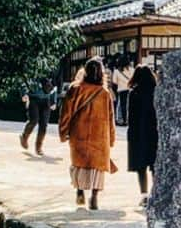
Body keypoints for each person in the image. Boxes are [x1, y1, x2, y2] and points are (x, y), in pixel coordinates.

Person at [58, 58, 116, 210]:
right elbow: (110, 118)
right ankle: (94, 197)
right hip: (100, 135)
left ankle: (79, 191)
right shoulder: (104, 93)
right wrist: (111, 138)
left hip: (79, 133)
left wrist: (63, 131)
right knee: (97, 167)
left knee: (79, 164)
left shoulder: (75, 88)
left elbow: (66, 113)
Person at [126, 65, 158, 206]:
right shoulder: (157, 92)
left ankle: (144, 196)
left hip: (138, 134)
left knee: (141, 167)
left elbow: (130, 117)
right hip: (155, 133)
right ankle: (156, 193)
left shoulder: (134, 93)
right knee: (155, 165)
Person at [19, 75, 56, 155]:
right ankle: (24, 137)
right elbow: (25, 83)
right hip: (34, 99)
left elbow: (54, 88)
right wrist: (24, 94)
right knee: (34, 120)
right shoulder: (34, 71)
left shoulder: (50, 71)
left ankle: (38, 147)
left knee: (44, 124)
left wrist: (53, 101)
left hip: (46, 100)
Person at [111, 59, 131, 126]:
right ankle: (129, 120)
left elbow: (114, 81)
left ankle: (123, 120)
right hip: (130, 90)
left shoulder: (116, 71)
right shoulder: (132, 69)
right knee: (130, 105)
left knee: (122, 106)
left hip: (121, 90)